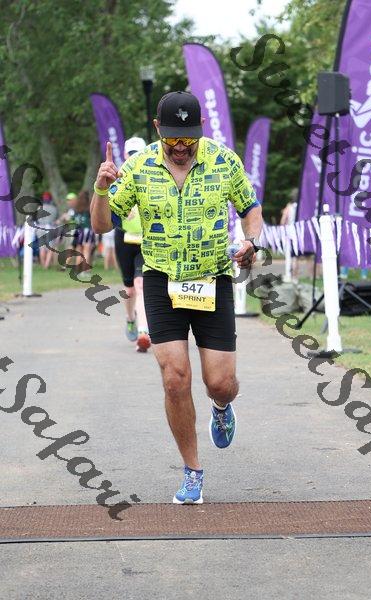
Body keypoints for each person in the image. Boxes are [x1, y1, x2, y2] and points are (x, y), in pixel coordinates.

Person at [91, 91, 262, 504]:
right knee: (174, 379)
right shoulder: (139, 167)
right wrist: (100, 188)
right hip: (161, 282)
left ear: (201, 128)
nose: (181, 146)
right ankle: (192, 471)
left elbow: (250, 210)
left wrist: (251, 241)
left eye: (188, 137)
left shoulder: (224, 161)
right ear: (157, 129)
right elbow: (101, 226)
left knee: (220, 383)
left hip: (213, 280)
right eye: (172, 138)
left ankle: (221, 407)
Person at [114, 136, 150, 351]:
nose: (135, 158)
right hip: (124, 239)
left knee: (141, 285)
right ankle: (130, 318)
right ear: (125, 155)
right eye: (131, 154)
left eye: (139, 154)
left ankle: (143, 333)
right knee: (129, 290)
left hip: (146, 240)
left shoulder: (154, 176)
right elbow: (107, 208)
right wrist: (121, 211)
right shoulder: (118, 178)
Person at [36, 192, 58, 269]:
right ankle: (46, 265)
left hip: (40, 228)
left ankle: (43, 264)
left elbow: (37, 219)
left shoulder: (39, 208)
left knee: (42, 247)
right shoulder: (54, 208)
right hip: (50, 228)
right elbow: (55, 219)